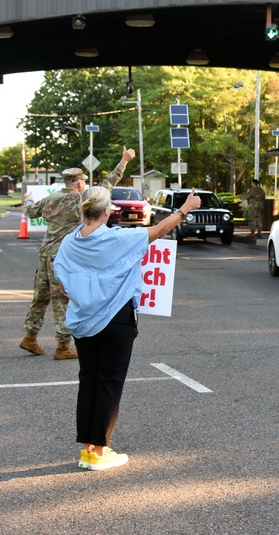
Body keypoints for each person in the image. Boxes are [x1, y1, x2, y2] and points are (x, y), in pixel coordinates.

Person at [53, 185, 201, 471]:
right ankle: (100, 450)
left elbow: (61, 279)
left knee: (89, 381)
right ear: (108, 210)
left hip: (84, 320)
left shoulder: (69, 243)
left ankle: (87, 448)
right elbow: (158, 230)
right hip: (116, 319)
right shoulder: (117, 238)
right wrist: (185, 208)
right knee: (109, 383)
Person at [20, 150, 135, 360]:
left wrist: (26, 199)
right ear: (80, 183)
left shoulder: (51, 199)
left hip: (45, 254)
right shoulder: (81, 200)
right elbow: (106, 185)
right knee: (62, 299)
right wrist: (124, 161)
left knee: (40, 297)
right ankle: (63, 346)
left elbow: (30, 211)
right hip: (63, 257)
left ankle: (30, 335)